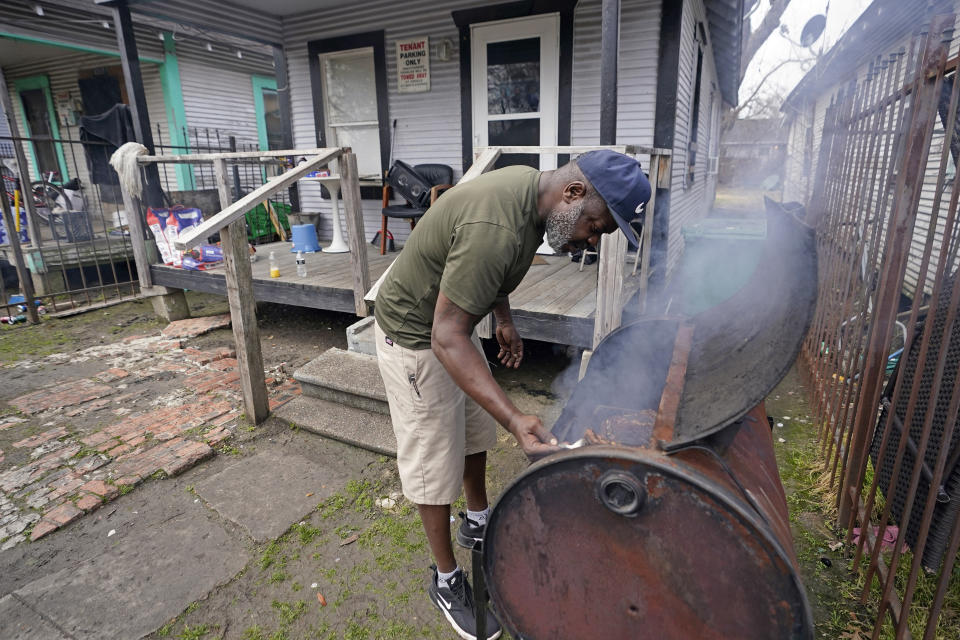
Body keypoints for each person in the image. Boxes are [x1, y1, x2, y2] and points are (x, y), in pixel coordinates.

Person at [373, 150, 651, 640]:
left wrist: (503, 318)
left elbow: (489, 273)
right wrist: (516, 418)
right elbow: (445, 336)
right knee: (433, 462)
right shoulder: (497, 226)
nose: (590, 241)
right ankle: (444, 578)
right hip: (418, 337)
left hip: (454, 324)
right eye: (595, 227)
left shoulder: (531, 193)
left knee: (474, 430)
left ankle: (477, 519)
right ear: (573, 193)